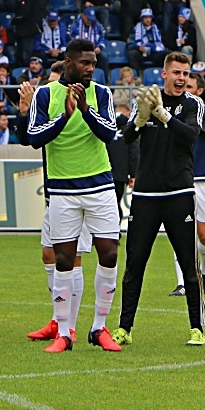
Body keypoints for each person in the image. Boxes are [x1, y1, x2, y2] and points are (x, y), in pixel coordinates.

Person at [26, 39, 122, 354]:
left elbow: (109, 134)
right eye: (84, 63)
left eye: (93, 63)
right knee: (64, 260)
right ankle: (65, 333)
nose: (90, 68)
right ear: (68, 62)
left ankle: (98, 327)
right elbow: (34, 138)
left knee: (109, 253)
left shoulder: (102, 94)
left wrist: (84, 110)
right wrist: (65, 118)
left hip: (100, 186)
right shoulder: (45, 94)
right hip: (63, 190)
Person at [113, 51, 205, 347]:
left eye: (186, 73)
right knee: (134, 265)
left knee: (188, 265)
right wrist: (141, 118)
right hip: (145, 195)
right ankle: (124, 328)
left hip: (179, 192)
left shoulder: (192, 104)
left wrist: (163, 116)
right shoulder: (147, 99)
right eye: (176, 72)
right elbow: (127, 138)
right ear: (164, 74)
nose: (182, 78)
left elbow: (190, 135)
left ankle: (197, 328)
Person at [168, 71, 205, 296]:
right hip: (180, 178)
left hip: (203, 179)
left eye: (190, 87)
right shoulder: (174, 112)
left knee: (204, 235)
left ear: (199, 91)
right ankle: (183, 283)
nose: (185, 90)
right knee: (181, 232)